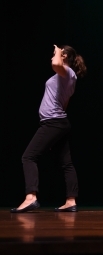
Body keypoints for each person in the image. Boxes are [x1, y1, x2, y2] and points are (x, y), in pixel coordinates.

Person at [10, 45, 87, 213]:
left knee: (28, 157)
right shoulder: (65, 76)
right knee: (66, 163)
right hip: (58, 123)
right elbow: (65, 104)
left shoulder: (67, 72)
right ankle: (71, 200)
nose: (52, 57)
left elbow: (56, 65)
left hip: (53, 122)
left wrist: (58, 52)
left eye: (55, 54)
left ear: (64, 56)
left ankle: (31, 197)